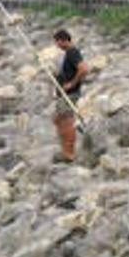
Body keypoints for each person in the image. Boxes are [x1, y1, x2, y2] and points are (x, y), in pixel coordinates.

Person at [52, 29, 88, 163]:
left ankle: (69, 153)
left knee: (66, 121)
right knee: (57, 119)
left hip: (70, 94)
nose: (56, 45)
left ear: (62, 40)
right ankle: (66, 150)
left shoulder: (72, 52)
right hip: (65, 94)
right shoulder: (69, 53)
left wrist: (72, 84)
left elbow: (84, 69)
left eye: (57, 42)